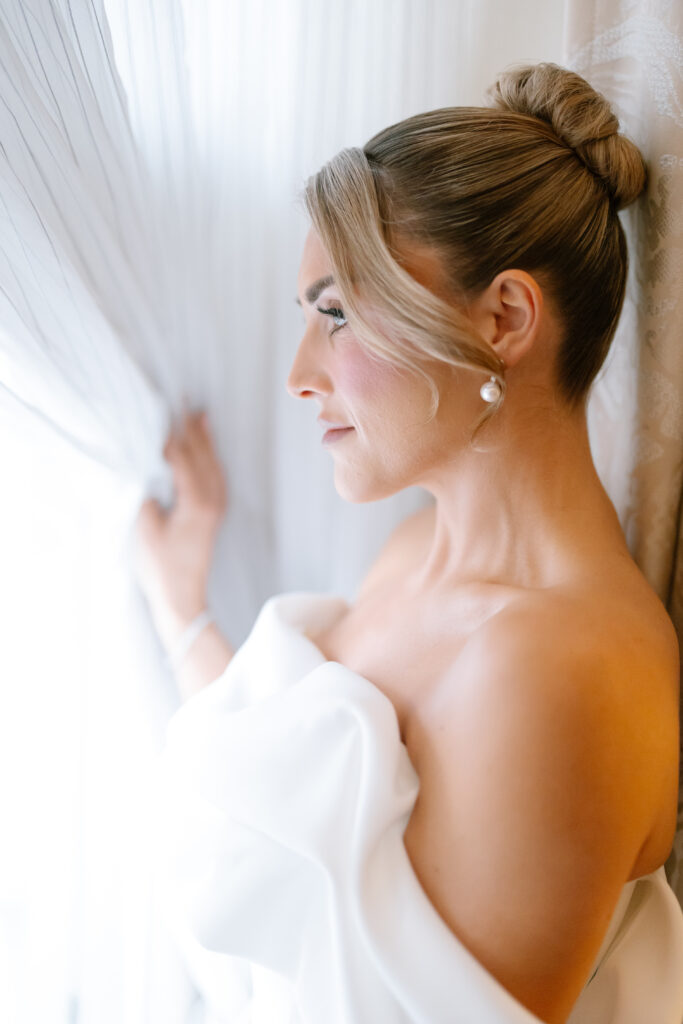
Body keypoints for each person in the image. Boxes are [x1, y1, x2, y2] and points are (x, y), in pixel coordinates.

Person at [134, 63, 683, 1024]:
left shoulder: (565, 673)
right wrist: (182, 606)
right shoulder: (411, 556)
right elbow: (290, 801)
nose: (300, 374)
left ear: (504, 318)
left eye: (336, 311)